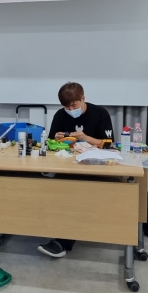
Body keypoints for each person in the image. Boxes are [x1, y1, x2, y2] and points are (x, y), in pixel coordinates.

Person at [37, 82, 115, 258]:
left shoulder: (100, 113)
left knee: (74, 194)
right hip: (66, 166)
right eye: (67, 107)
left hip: (94, 167)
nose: (71, 110)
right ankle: (57, 233)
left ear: (83, 98)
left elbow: (109, 144)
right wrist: (56, 138)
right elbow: (50, 144)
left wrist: (85, 138)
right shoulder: (60, 115)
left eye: (74, 105)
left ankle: (62, 241)